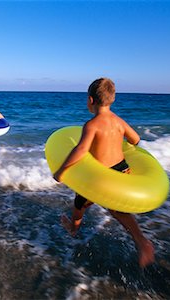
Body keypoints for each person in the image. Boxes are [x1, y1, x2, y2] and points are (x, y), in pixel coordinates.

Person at [53, 78, 155, 268]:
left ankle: (73, 229)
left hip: (100, 177)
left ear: (90, 100)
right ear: (112, 99)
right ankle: (142, 241)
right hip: (122, 170)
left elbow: (81, 150)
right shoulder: (118, 121)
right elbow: (136, 139)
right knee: (118, 211)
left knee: (79, 207)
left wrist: (61, 171)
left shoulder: (92, 124)